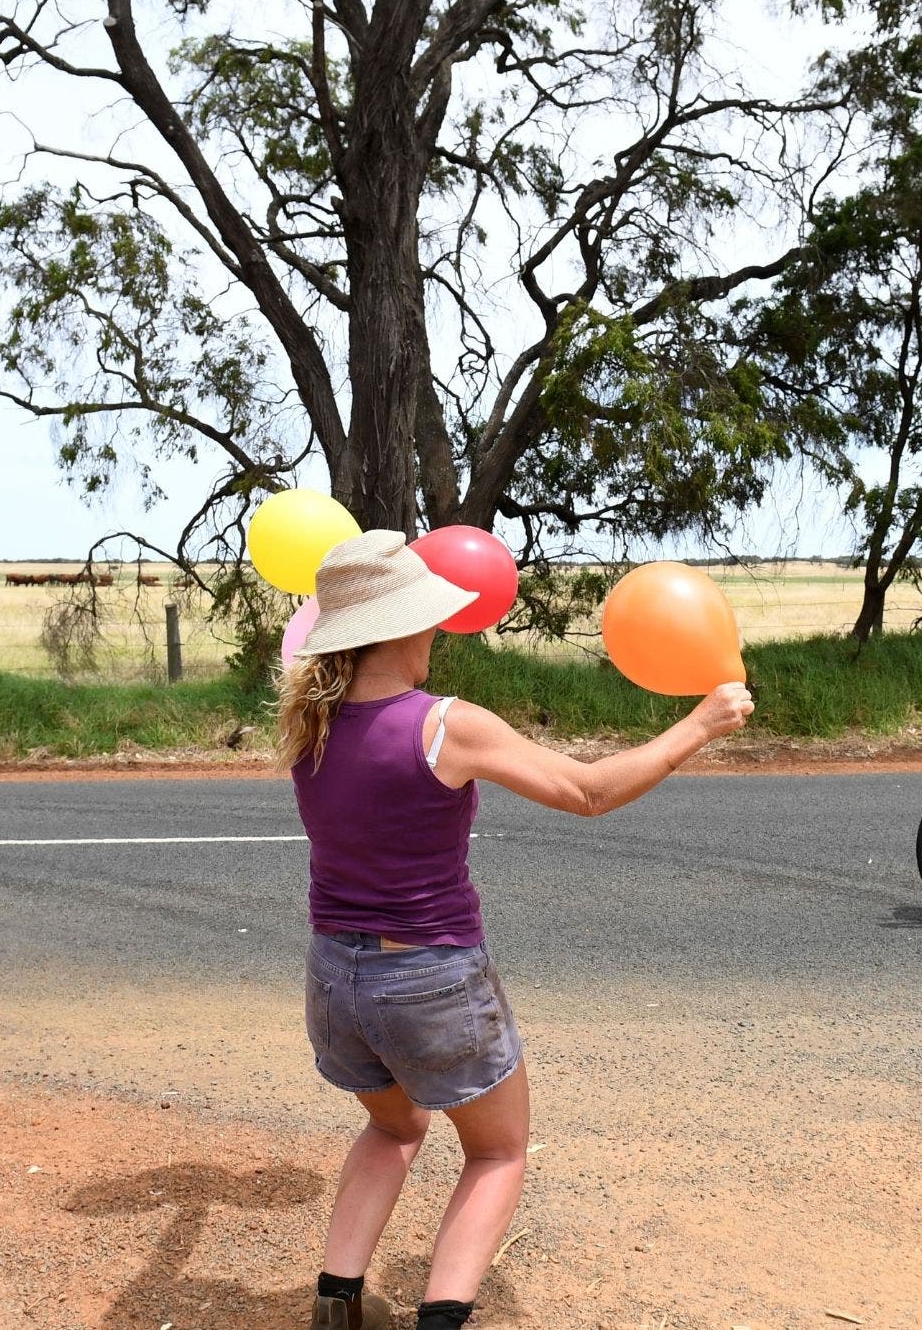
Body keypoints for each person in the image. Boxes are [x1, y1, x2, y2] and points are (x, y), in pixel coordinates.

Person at [277, 530, 753, 1330]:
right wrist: (698, 726)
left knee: (392, 1128)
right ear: (396, 628)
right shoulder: (444, 725)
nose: (436, 632)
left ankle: (335, 1310)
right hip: (427, 978)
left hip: (334, 978)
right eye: (427, 620)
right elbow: (587, 791)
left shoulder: (308, 724)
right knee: (496, 1153)